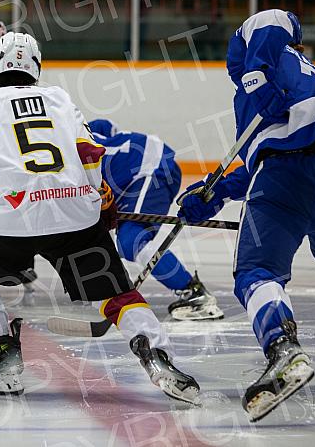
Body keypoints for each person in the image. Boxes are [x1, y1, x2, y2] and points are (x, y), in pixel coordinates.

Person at [0, 32, 201, 404]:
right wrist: (101, 198)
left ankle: (2, 354)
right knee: (117, 292)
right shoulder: (59, 98)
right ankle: (157, 353)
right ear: (36, 70)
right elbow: (90, 152)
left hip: (12, 217)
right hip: (75, 214)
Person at [178, 9, 315, 421]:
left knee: (256, 272)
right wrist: (212, 195)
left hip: (288, 178)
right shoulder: (306, 77)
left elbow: (272, 20)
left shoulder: (271, 62)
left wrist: (257, 76)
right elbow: (258, 161)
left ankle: (282, 349)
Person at [88, 118, 224, 321]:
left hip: (149, 169)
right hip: (141, 170)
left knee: (131, 241)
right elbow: (104, 125)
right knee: (127, 240)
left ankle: (193, 293)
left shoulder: (65, 157)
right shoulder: (77, 129)